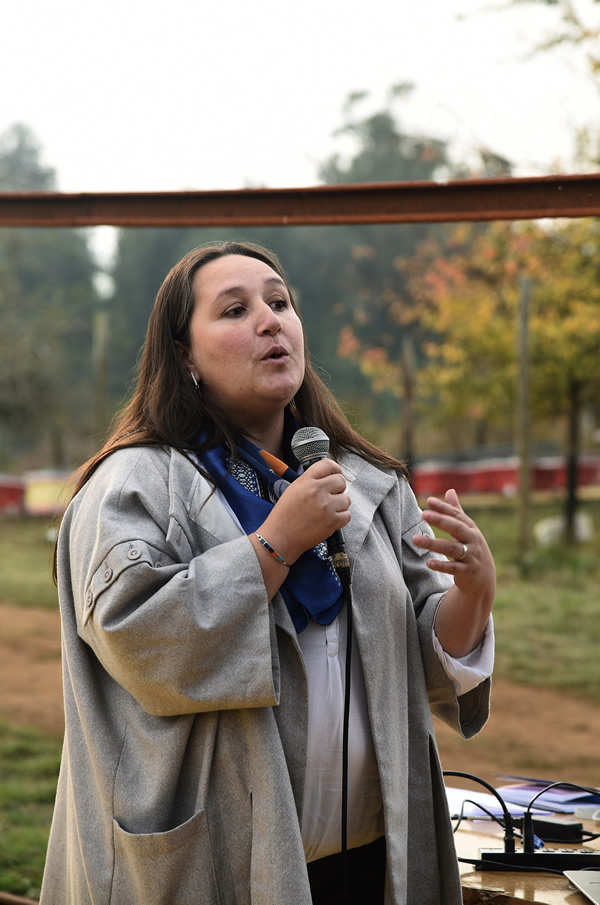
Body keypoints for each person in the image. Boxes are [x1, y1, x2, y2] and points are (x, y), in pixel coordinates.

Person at [40, 240, 496, 905]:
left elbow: (417, 665)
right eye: (235, 310)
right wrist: (276, 544)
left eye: (280, 302)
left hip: (374, 860)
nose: (269, 321)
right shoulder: (131, 485)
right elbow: (140, 642)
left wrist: (473, 595)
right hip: (219, 866)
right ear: (184, 355)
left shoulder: (367, 482)